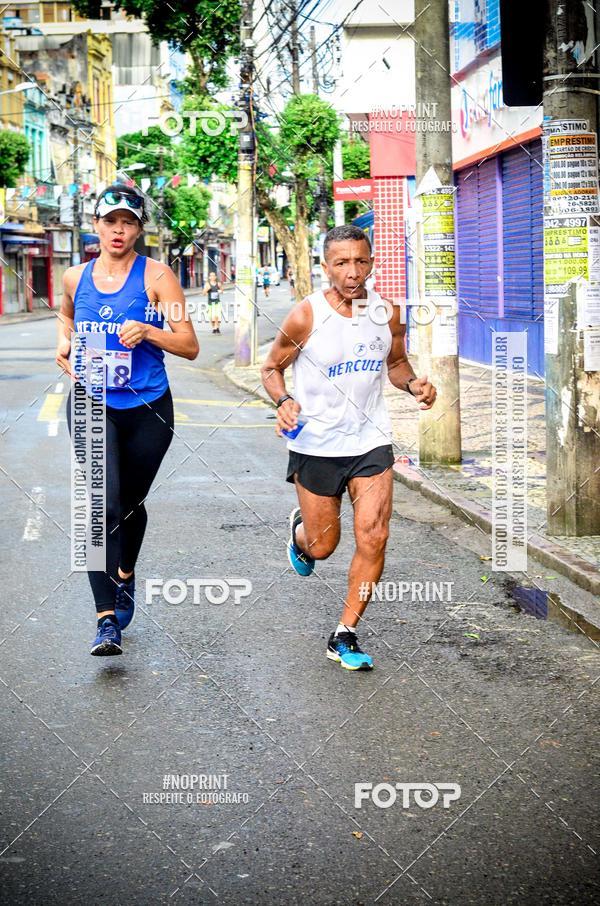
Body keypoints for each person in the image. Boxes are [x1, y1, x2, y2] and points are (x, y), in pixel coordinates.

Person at [261, 225, 437, 671]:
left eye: (360, 261)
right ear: (326, 267)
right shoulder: (306, 315)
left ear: (372, 262)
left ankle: (345, 632)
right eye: (341, 262)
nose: (352, 271)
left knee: (375, 535)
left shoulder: (387, 313)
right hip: (316, 443)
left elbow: (395, 363)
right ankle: (302, 536)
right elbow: (271, 368)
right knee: (324, 546)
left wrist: (413, 383)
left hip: (370, 440)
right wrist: (284, 401)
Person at [55, 183, 199, 657]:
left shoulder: (157, 277)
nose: (119, 230)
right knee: (101, 508)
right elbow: (67, 316)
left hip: (148, 408)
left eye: (129, 222)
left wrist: (150, 331)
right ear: (95, 225)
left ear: (139, 228)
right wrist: (63, 342)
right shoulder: (75, 276)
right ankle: (105, 619)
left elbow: (189, 344)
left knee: (131, 505)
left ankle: (125, 574)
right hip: (92, 402)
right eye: (110, 221)